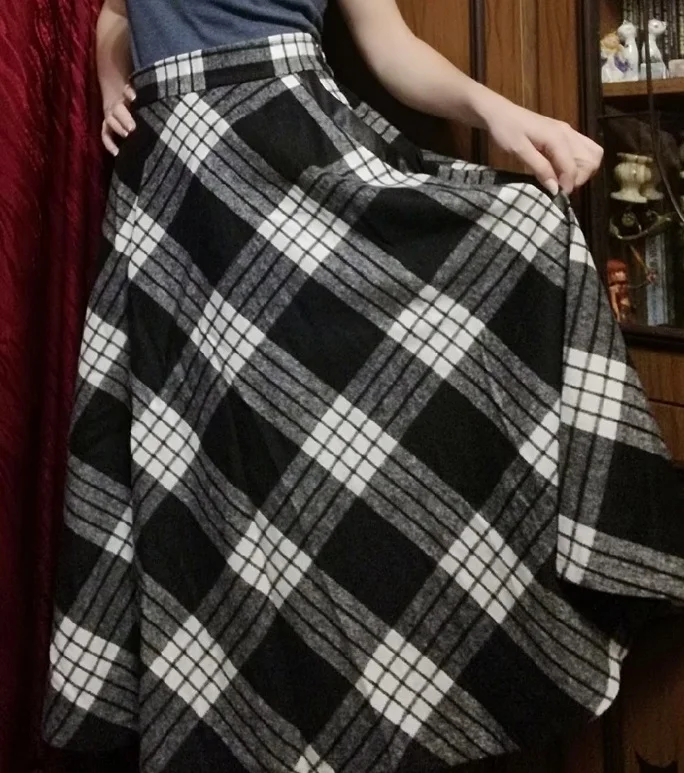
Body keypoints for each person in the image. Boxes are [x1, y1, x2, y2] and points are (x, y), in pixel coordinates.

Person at [44, 1, 684, 772]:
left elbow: (391, 48)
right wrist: (111, 76)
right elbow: (115, 12)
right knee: (209, 491)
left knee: (315, 487)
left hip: (293, 159)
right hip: (178, 203)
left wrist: (501, 114)